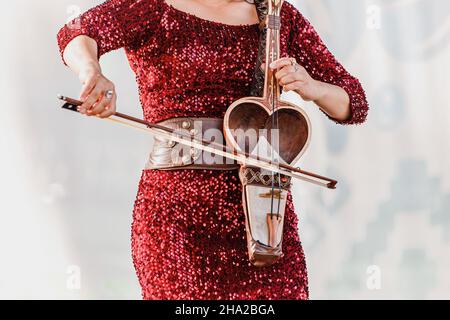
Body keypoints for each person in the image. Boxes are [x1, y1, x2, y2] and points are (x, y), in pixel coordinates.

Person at [57, 0, 368, 300]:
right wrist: (91, 73)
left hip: (262, 217)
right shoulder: (152, 6)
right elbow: (75, 32)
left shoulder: (276, 14)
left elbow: (354, 103)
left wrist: (313, 88)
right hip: (176, 219)